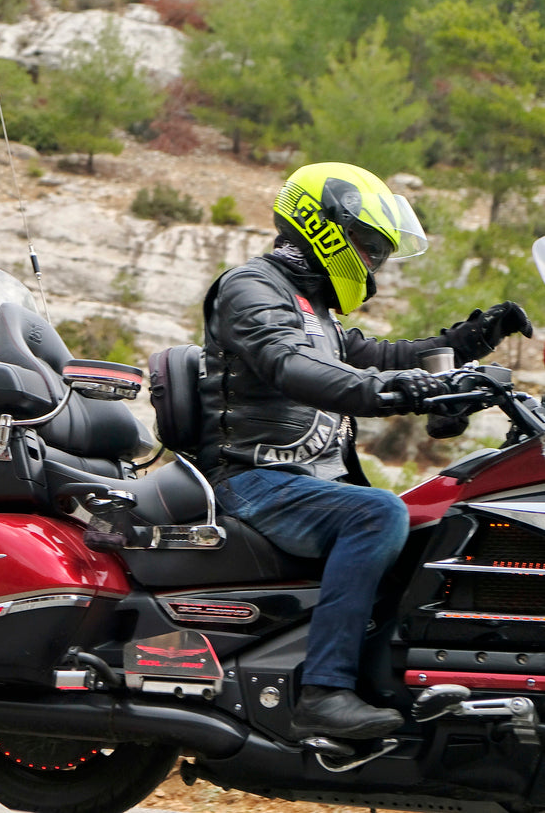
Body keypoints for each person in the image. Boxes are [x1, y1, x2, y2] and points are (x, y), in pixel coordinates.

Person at [195, 161, 533, 740]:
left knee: (440, 516)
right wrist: (390, 393)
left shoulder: (312, 309)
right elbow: (291, 365)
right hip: (251, 476)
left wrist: (468, 341)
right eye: (368, 245)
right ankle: (324, 692)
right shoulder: (251, 287)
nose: (373, 261)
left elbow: (381, 355)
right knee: (379, 512)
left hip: (305, 481)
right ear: (323, 226)